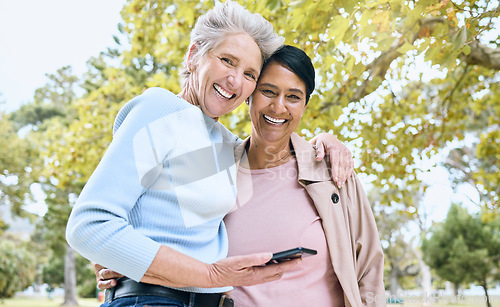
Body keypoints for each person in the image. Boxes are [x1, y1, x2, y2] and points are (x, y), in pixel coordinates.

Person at [66, 2, 353, 307]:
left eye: (249, 74)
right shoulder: (160, 109)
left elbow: (169, 214)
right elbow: (90, 224)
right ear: (193, 56)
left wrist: (325, 141)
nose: (235, 81)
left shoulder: (225, 145)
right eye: (227, 60)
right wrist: (210, 275)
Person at [96, 45, 386, 306]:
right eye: (268, 91)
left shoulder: (332, 173)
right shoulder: (212, 165)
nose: (278, 107)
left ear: (305, 106)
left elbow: (369, 269)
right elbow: (148, 208)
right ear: (249, 95)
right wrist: (127, 257)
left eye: (293, 97)